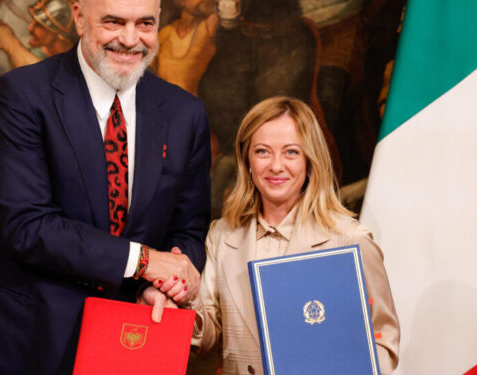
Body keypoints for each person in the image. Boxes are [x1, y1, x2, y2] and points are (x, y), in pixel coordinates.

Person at [0, 0, 212, 373]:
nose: (130, 40)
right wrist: (145, 263)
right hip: (24, 342)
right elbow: (27, 225)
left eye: (145, 23)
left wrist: (167, 284)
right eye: (114, 22)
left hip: (127, 344)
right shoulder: (21, 95)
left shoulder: (186, 113)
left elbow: (189, 229)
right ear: (80, 17)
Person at [147, 97, 400, 374]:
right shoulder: (222, 235)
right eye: (263, 152)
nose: (276, 166)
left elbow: (384, 342)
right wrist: (181, 302)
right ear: (247, 160)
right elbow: (206, 334)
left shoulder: (350, 239)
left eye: (291, 152)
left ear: (309, 159)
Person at [0, 0, 75, 70]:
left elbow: (45, 79)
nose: (30, 28)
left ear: (58, 32)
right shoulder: (38, 52)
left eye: (39, 25)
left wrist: (8, 42)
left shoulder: (73, 60)